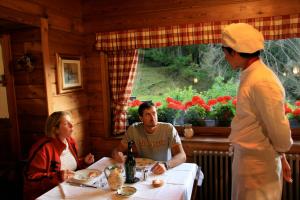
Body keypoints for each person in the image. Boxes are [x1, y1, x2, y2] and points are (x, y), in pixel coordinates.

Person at [221, 23, 293, 200]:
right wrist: (281, 155)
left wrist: (281, 153)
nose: (225, 56)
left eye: (225, 51)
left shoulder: (261, 81)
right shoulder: (251, 74)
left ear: (235, 52)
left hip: (259, 169)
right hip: (251, 164)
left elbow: (278, 128)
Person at [23, 111, 95, 200]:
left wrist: (83, 162)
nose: (72, 125)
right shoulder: (43, 148)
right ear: (55, 129)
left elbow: (71, 167)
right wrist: (57, 177)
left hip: (69, 188)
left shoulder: (70, 141)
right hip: (45, 194)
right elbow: (31, 179)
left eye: (71, 122)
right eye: (66, 123)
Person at [112, 102, 186, 175]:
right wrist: (117, 155)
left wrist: (166, 165)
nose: (152, 117)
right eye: (148, 114)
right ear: (141, 118)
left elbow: (182, 156)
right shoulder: (133, 129)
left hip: (164, 169)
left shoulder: (168, 128)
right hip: (143, 171)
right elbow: (116, 150)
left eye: (154, 113)